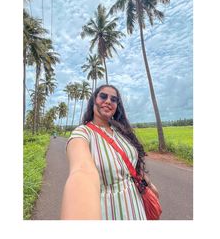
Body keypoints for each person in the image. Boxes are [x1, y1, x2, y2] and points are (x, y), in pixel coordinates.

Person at [60, 84, 159, 220]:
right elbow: (82, 170)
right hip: (109, 211)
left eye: (113, 99)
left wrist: (150, 185)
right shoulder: (83, 133)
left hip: (136, 206)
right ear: (94, 100)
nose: (108, 101)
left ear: (117, 106)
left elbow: (133, 164)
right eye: (103, 96)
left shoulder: (121, 131)